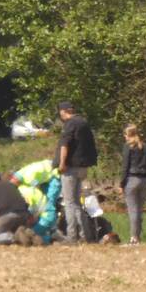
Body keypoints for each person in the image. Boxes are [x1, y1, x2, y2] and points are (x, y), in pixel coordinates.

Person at [53, 101, 98, 243]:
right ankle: (86, 236)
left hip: (70, 168)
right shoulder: (83, 123)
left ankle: (72, 237)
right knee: (77, 203)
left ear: (63, 111)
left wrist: (61, 163)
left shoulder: (70, 124)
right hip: (83, 167)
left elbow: (65, 145)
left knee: (69, 203)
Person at [120, 124, 146, 245]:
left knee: (132, 210)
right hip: (144, 180)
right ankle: (138, 237)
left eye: (125, 135)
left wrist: (121, 183)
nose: (125, 137)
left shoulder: (128, 147)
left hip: (132, 179)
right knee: (139, 210)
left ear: (129, 135)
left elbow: (125, 166)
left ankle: (133, 238)